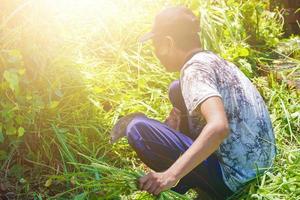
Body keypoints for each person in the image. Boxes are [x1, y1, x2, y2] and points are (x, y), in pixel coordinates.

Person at [125, 6, 276, 199]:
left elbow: (219, 127)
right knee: (176, 89)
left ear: (168, 43)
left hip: (235, 178)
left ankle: (199, 186)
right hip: (261, 163)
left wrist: (170, 175)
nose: (156, 52)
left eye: (156, 45)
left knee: (138, 129)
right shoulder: (214, 61)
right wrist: (178, 130)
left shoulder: (194, 70)